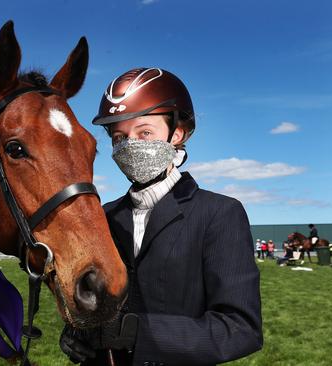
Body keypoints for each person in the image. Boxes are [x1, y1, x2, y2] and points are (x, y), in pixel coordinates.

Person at [59, 67, 262, 365]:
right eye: (119, 137)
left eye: (144, 132)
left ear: (177, 133)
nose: (130, 145)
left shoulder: (220, 213)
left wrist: (139, 334)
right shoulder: (104, 215)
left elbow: (241, 329)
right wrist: (76, 332)